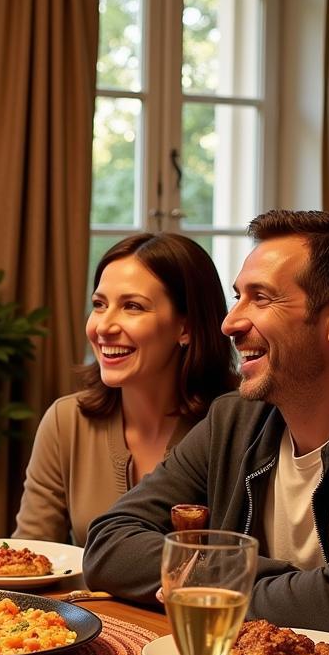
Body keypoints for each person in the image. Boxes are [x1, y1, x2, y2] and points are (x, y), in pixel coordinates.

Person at [82, 210, 329, 655]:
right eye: (237, 298)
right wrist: (272, 586)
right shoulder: (234, 418)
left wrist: (208, 579)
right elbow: (109, 546)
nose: (230, 323)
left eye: (261, 299)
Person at [13, 233, 236, 545]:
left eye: (132, 306)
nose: (103, 327)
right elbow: (33, 555)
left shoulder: (238, 423)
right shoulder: (67, 421)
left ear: (185, 328)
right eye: (99, 304)